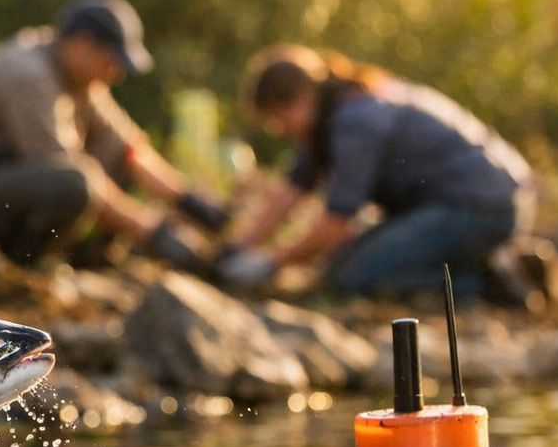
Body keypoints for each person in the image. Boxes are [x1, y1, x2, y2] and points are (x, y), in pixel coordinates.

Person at [0, 0, 230, 267]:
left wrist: (192, 204)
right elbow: (73, 173)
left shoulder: (76, 75)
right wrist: (155, 232)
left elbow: (130, 148)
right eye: (112, 63)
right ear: (82, 45)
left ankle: (80, 255)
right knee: (76, 184)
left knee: (111, 160)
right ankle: (21, 263)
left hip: (3, 179)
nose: (116, 75)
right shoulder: (30, 75)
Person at [220, 44, 539, 302]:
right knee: (337, 267)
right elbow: (291, 192)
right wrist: (238, 247)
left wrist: (272, 263)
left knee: (355, 280)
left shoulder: (355, 121)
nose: (278, 129)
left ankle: (490, 282)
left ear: (301, 98)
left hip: (483, 206)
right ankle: (482, 264)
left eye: (277, 117)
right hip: (460, 203)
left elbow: (337, 223)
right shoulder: (332, 116)